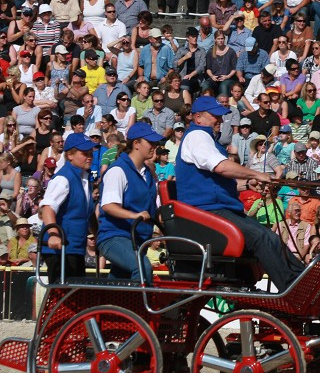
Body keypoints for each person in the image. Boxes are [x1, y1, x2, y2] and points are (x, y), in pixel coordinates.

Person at [175, 96, 306, 291]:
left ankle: (302, 278)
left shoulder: (206, 138)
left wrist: (247, 184)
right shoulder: (197, 136)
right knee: (261, 237)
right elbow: (221, 168)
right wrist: (256, 174)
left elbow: (213, 182)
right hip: (206, 212)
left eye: (220, 116)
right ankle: (293, 289)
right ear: (198, 118)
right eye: (215, 116)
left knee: (270, 236)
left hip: (216, 207)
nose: (219, 120)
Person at [97, 123, 165, 282]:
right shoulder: (117, 170)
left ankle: (108, 305)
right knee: (142, 268)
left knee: (120, 282)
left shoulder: (148, 173)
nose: (155, 146)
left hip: (137, 240)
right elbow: (108, 206)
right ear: (136, 144)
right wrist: (135, 215)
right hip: (114, 236)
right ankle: (138, 307)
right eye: (150, 142)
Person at [40, 133, 97, 282]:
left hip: (75, 247)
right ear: (70, 155)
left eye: (91, 153)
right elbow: (47, 208)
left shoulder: (85, 179)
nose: (89, 156)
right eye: (84, 153)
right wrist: (53, 234)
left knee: (75, 294)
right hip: (59, 248)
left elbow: (89, 214)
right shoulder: (63, 178)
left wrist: (98, 236)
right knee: (63, 294)